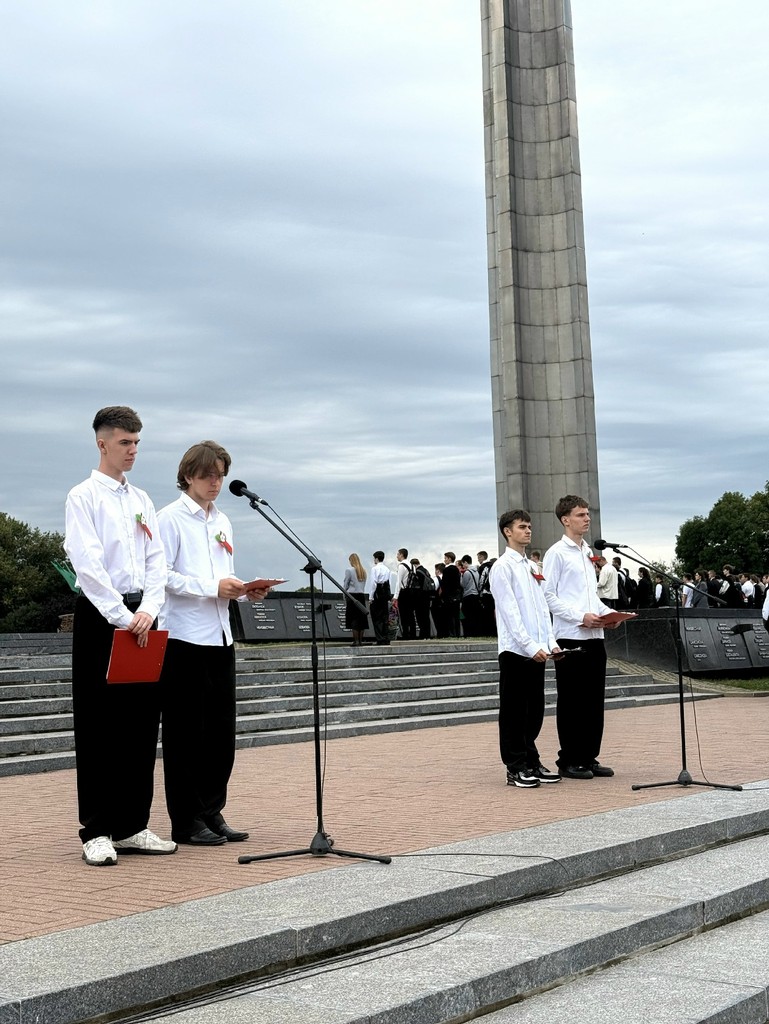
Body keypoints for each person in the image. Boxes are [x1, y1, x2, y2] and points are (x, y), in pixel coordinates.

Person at [64, 406, 176, 866]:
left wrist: (148, 608)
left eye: (136, 443)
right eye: (125, 442)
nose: (132, 451)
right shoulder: (83, 496)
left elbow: (157, 559)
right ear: (102, 443)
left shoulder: (141, 499)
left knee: (140, 723)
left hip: (142, 617)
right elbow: (87, 563)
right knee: (98, 725)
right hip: (102, 616)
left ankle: (132, 825)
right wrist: (120, 615)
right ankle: (96, 830)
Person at [157, 441, 269, 846]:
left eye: (220, 475)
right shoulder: (169, 519)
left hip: (220, 635)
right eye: (208, 475)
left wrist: (245, 592)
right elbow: (162, 575)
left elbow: (225, 576)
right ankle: (185, 820)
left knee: (220, 733)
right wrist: (211, 587)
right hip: (183, 637)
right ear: (188, 475)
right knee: (186, 733)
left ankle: (211, 810)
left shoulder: (222, 520)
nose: (216, 482)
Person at [542, 495, 617, 780]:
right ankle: (569, 759)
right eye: (581, 515)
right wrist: (579, 617)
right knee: (573, 699)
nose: (587, 518)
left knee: (594, 699)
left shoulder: (587, 552)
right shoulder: (556, 553)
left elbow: (590, 597)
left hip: (594, 635)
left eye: (587, 514)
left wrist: (609, 615)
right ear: (565, 519)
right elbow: (548, 596)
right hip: (571, 636)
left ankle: (588, 756)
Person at [490, 509, 562, 788]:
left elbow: (542, 609)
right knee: (514, 711)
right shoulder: (502, 567)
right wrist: (529, 645)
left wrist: (551, 642)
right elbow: (509, 612)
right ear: (508, 531)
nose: (528, 530)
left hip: (537, 650)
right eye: (522, 526)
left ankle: (531, 759)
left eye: (529, 526)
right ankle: (515, 766)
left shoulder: (532, 567)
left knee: (534, 711)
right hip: (516, 651)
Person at [342, 553, 368, 647]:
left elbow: (346, 584)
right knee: (361, 618)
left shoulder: (349, 570)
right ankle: (360, 641)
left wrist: (344, 595)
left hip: (352, 596)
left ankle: (356, 640)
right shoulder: (363, 571)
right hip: (361, 595)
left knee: (353, 619)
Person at [368, 551, 392, 645]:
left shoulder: (374, 569)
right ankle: (386, 638)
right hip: (385, 593)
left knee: (376, 617)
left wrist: (371, 597)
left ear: (377, 558)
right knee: (385, 617)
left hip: (377, 592)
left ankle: (380, 638)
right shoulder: (387, 569)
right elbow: (389, 583)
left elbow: (373, 583)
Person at [393, 547, 416, 640]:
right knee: (411, 614)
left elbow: (398, 582)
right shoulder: (412, 566)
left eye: (398, 554)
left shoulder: (401, 566)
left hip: (404, 592)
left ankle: (405, 634)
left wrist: (395, 596)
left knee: (403, 615)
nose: (397, 556)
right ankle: (413, 634)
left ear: (402, 555)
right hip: (411, 592)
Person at [440, 552, 462, 637]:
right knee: (456, 616)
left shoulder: (446, 570)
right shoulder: (456, 569)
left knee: (449, 616)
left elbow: (444, 584)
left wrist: (443, 596)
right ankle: (457, 633)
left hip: (448, 596)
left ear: (449, 559)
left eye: (445, 558)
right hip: (456, 596)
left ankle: (451, 633)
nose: (444, 560)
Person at [460, 555, 483, 636]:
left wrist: (461, 578)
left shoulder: (467, 573)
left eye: (463, 564)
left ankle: (469, 633)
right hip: (476, 595)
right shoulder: (476, 572)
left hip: (468, 596)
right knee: (475, 616)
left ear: (466, 562)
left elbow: (463, 585)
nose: (463, 566)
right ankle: (475, 632)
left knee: (467, 616)